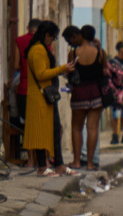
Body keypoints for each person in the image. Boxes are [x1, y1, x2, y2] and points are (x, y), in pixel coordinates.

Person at [22, 21, 77, 175]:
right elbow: (41, 74)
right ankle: (42, 166)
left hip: (45, 96)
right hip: (40, 97)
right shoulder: (38, 50)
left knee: (54, 129)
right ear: (47, 35)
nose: (52, 41)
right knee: (41, 132)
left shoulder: (40, 49)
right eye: (52, 38)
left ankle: (58, 164)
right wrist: (62, 68)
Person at [68, 25, 106, 170]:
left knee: (76, 128)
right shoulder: (100, 53)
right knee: (92, 128)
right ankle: (90, 163)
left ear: (81, 36)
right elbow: (104, 69)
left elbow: (69, 73)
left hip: (79, 93)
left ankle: (77, 161)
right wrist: (100, 48)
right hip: (96, 93)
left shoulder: (73, 53)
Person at [12, 19, 42, 132]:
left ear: (28, 28)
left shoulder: (19, 41)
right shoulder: (46, 42)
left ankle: (13, 117)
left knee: (27, 125)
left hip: (24, 88)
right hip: (41, 89)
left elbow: (16, 65)